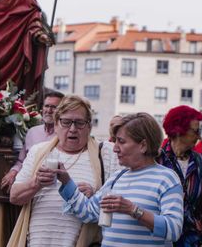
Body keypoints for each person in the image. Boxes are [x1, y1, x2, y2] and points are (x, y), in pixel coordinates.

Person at [8, 95, 121, 246]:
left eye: (80, 123)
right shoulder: (39, 151)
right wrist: (36, 183)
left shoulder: (105, 153)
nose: (73, 129)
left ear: (89, 126)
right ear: (56, 124)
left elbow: (121, 198)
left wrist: (95, 195)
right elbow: (14, 197)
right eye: (66, 122)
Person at [57, 113, 184, 246]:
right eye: (115, 141)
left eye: (121, 142)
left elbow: (173, 230)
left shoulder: (167, 178)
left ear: (143, 145)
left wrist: (132, 210)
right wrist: (66, 181)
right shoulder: (117, 177)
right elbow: (88, 212)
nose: (115, 148)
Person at [157, 105, 202, 246]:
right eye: (196, 131)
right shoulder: (158, 159)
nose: (199, 136)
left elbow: (201, 201)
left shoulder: (199, 160)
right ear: (178, 131)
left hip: (191, 237)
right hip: (163, 235)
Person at [0, 91, 64, 192]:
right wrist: (13, 172)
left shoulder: (65, 135)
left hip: (52, 189)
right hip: (29, 188)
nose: (49, 110)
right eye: (46, 106)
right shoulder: (32, 132)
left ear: (63, 111)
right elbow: (21, 161)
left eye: (54, 107)